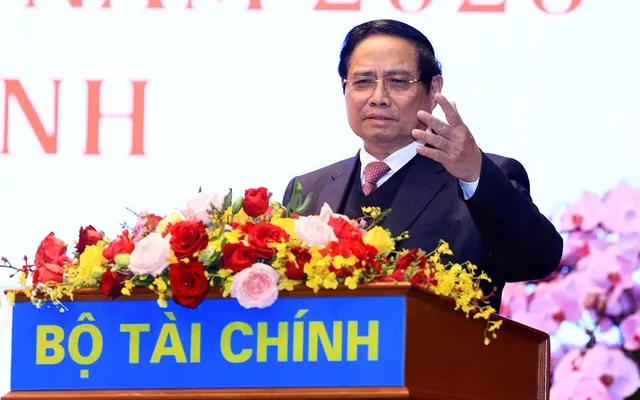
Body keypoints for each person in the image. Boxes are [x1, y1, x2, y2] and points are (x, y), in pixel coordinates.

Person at [282, 19, 563, 311]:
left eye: (398, 82)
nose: (378, 98)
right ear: (345, 88)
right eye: (363, 82)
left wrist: (474, 174)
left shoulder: (479, 177)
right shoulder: (309, 189)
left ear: (434, 89)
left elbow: (536, 260)